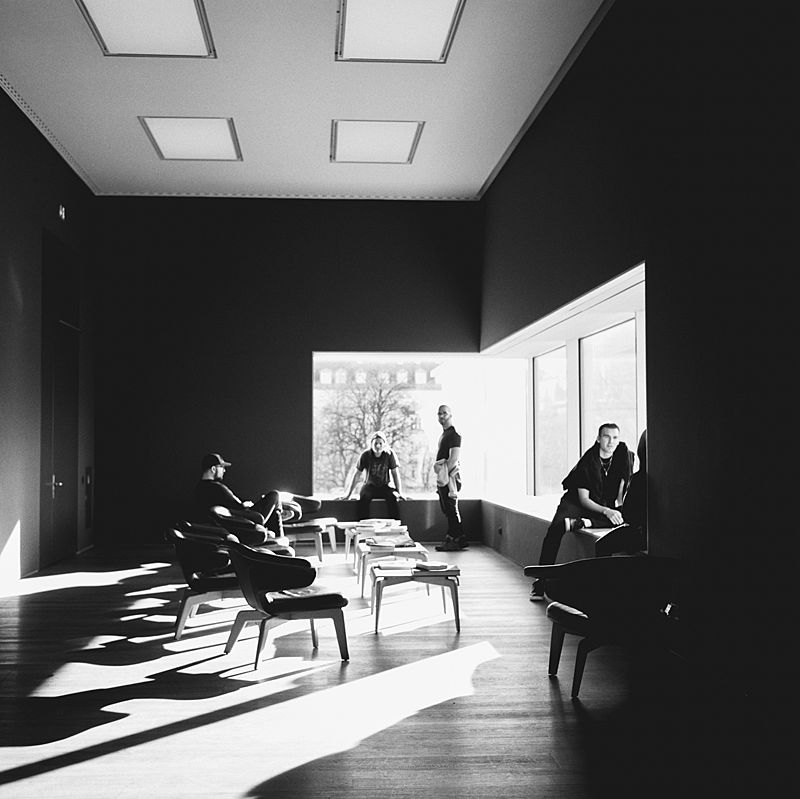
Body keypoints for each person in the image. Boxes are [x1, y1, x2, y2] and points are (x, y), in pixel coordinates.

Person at [530, 423, 633, 599]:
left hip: (601, 503)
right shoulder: (589, 461)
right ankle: (540, 581)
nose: (611, 442)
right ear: (599, 438)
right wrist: (607, 512)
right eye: (607, 437)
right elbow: (583, 500)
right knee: (555, 529)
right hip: (576, 502)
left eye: (615, 437)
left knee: (622, 518)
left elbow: (623, 487)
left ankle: (584, 523)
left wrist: (619, 510)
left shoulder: (624, 454)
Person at [190, 452, 282, 534]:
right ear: (213, 469)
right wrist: (245, 504)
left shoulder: (199, 489)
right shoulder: (217, 488)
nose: (224, 470)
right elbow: (238, 506)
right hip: (244, 521)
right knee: (274, 495)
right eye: (222, 467)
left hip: (231, 521)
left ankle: (273, 532)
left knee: (274, 510)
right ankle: (276, 536)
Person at [340, 431, 404, 519]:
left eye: (380, 444)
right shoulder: (365, 455)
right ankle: (363, 526)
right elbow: (357, 475)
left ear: (384, 444)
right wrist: (348, 494)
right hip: (369, 487)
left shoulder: (389, 455)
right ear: (371, 444)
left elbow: (395, 474)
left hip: (385, 486)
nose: (378, 446)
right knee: (364, 498)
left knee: (393, 498)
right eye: (376, 443)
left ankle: (395, 526)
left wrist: (399, 492)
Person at [433, 404, 468, 552]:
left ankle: (456, 539)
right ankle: (457, 538)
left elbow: (453, 459)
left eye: (444, 413)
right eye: (439, 414)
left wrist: (444, 476)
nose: (441, 416)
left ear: (450, 415)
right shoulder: (444, 434)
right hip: (443, 476)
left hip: (450, 477)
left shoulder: (454, 435)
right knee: (448, 509)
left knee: (451, 508)